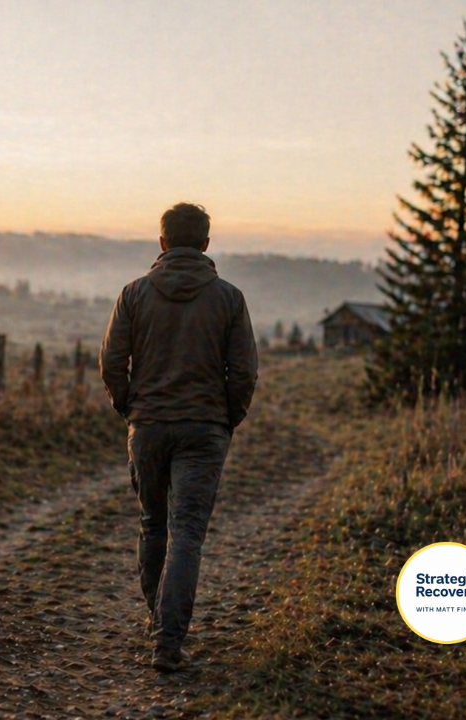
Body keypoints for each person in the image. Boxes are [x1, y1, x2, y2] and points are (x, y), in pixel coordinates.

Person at [98, 202, 258, 673]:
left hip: (147, 426)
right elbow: (244, 371)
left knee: (153, 523)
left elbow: (111, 362)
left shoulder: (134, 294)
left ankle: (158, 620)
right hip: (204, 429)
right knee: (187, 533)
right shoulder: (229, 298)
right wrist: (226, 418)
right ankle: (168, 640)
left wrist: (129, 406)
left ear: (162, 242)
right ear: (206, 244)